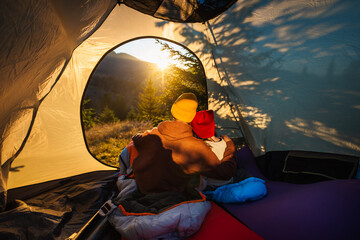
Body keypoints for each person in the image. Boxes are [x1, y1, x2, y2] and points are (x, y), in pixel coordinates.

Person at [130, 92, 237, 194]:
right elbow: (225, 173)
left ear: (173, 111)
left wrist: (140, 135)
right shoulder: (197, 147)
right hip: (175, 196)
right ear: (191, 116)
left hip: (144, 188)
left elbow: (137, 139)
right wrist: (230, 146)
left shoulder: (153, 134)